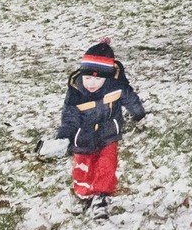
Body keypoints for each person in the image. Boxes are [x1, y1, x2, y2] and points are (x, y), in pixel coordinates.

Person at [54, 40, 145, 220]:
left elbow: (131, 99)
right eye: (87, 78)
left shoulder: (116, 87)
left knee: (106, 165)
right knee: (83, 167)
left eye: (97, 79)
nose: (91, 83)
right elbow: (69, 117)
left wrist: (139, 114)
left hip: (108, 134)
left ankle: (101, 196)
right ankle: (84, 193)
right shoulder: (76, 93)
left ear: (107, 77)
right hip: (83, 137)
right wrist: (64, 136)